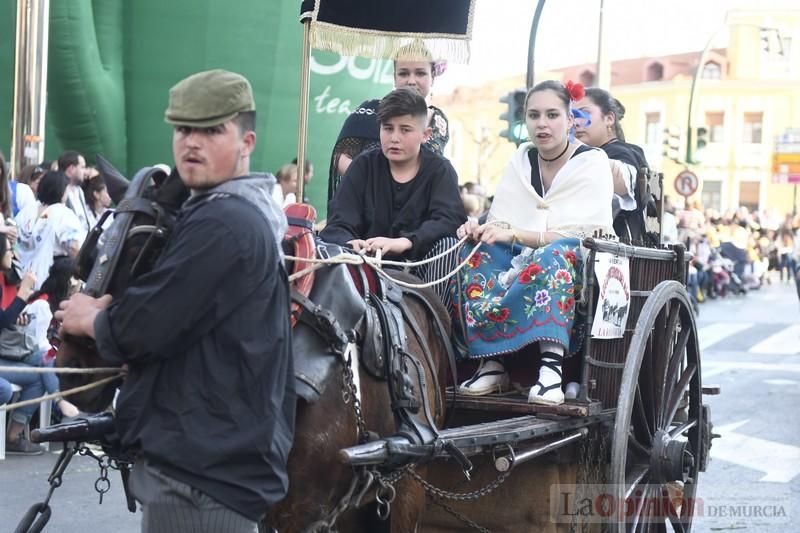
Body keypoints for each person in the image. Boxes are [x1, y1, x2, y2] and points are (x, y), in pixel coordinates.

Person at [56, 69, 294, 532]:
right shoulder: (230, 212)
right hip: (211, 464)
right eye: (184, 129)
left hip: (203, 473)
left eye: (211, 130)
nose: (192, 143)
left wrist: (93, 318)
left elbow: (148, 326)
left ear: (247, 142)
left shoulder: (224, 220)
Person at [453, 80, 614, 405]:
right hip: (521, 255)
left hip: (578, 264)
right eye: (534, 115)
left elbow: (581, 235)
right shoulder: (519, 161)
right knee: (478, 251)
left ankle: (551, 368)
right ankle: (492, 363)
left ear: (570, 120)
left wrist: (515, 234)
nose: (542, 123)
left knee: (553, 254)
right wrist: (478, 229)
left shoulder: (593, 162)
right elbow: (502, 221)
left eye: (553, 114)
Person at [320, 87, 466, 307]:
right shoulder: (363, 165)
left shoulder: (440, 170)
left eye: (405, 130)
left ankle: (433, 326)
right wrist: (351, 242)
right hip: (365, 267)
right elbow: (339, 220)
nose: (394, 138)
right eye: (388, 128)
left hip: (421, 270)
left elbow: (449, 220)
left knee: (447, 245)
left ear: (425, 135)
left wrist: (405, 242)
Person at [327, 41, 449, 201]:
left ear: (432, 77)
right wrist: (373, 184)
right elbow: (340, 156)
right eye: (404, 73)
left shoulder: (439, 121)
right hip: (369, 208)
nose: (411, 81)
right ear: (394, 77)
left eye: (420, 73)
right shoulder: (370, 110)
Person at [573, 88, 650, 242]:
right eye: (571, 116)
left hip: (615, 253)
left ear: (609, 118)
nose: (575, 122)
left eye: (583, 113)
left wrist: (567, 144)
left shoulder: (623, 153)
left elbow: (623, 182)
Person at [14, 170, 85, 290]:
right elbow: (74, 247)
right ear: (61, 191)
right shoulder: (63, 214)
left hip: (20, 280)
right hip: (48, 283)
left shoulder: (26, 211)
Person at [58, 150, 92, 232]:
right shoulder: (59, 190)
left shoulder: (79, 190)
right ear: (71, 169)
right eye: (83, 167)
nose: (86, 172)